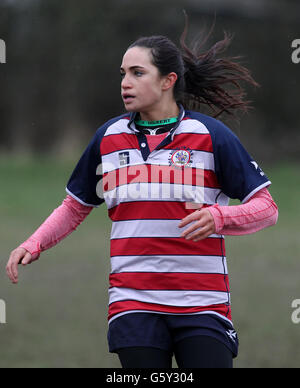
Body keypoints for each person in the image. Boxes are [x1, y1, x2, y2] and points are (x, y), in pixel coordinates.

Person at [6, 24, 278, 368]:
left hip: (202, 304)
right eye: (123, 74)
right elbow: (75, 206)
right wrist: (34, 243)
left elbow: (267, 208)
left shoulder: (210, 135)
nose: (125, 82)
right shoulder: (108, 137)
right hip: (133, 305)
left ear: (168, 80)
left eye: (137, 73)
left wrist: (219, 216)